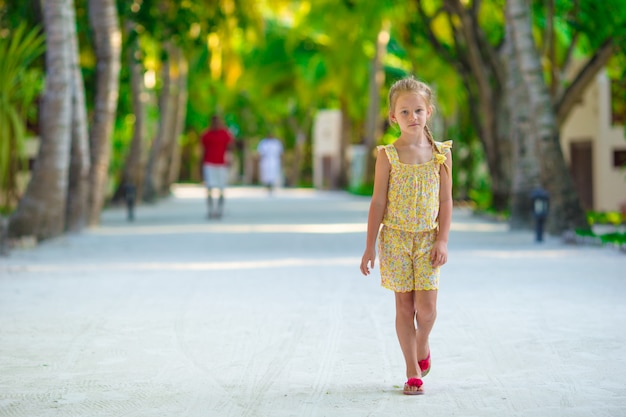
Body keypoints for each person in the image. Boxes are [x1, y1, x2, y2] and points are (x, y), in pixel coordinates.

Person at [359, 77, 453, 395]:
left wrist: (442, 240)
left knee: (426, 310)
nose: (412, 117)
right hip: (396, 239)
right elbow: (378, 202)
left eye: (418, 110)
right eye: (404, 112)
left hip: (428, 239)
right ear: (393, 117)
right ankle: (412, 370)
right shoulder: (387, 155)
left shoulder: (441, 154)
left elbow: (445, 201)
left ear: (429, 111)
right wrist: (370, 247)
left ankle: (422, 342)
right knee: (404, 307)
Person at [200, 115, 234, 219]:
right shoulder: (206, 135)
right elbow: (202, 150)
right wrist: (200, 165)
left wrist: (230, 159)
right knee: (209, 188)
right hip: (209, 164)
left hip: (221, 164)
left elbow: (230, 148)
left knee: (221, 188)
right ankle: (210, 210)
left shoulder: (225, 134)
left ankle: (220, 210)